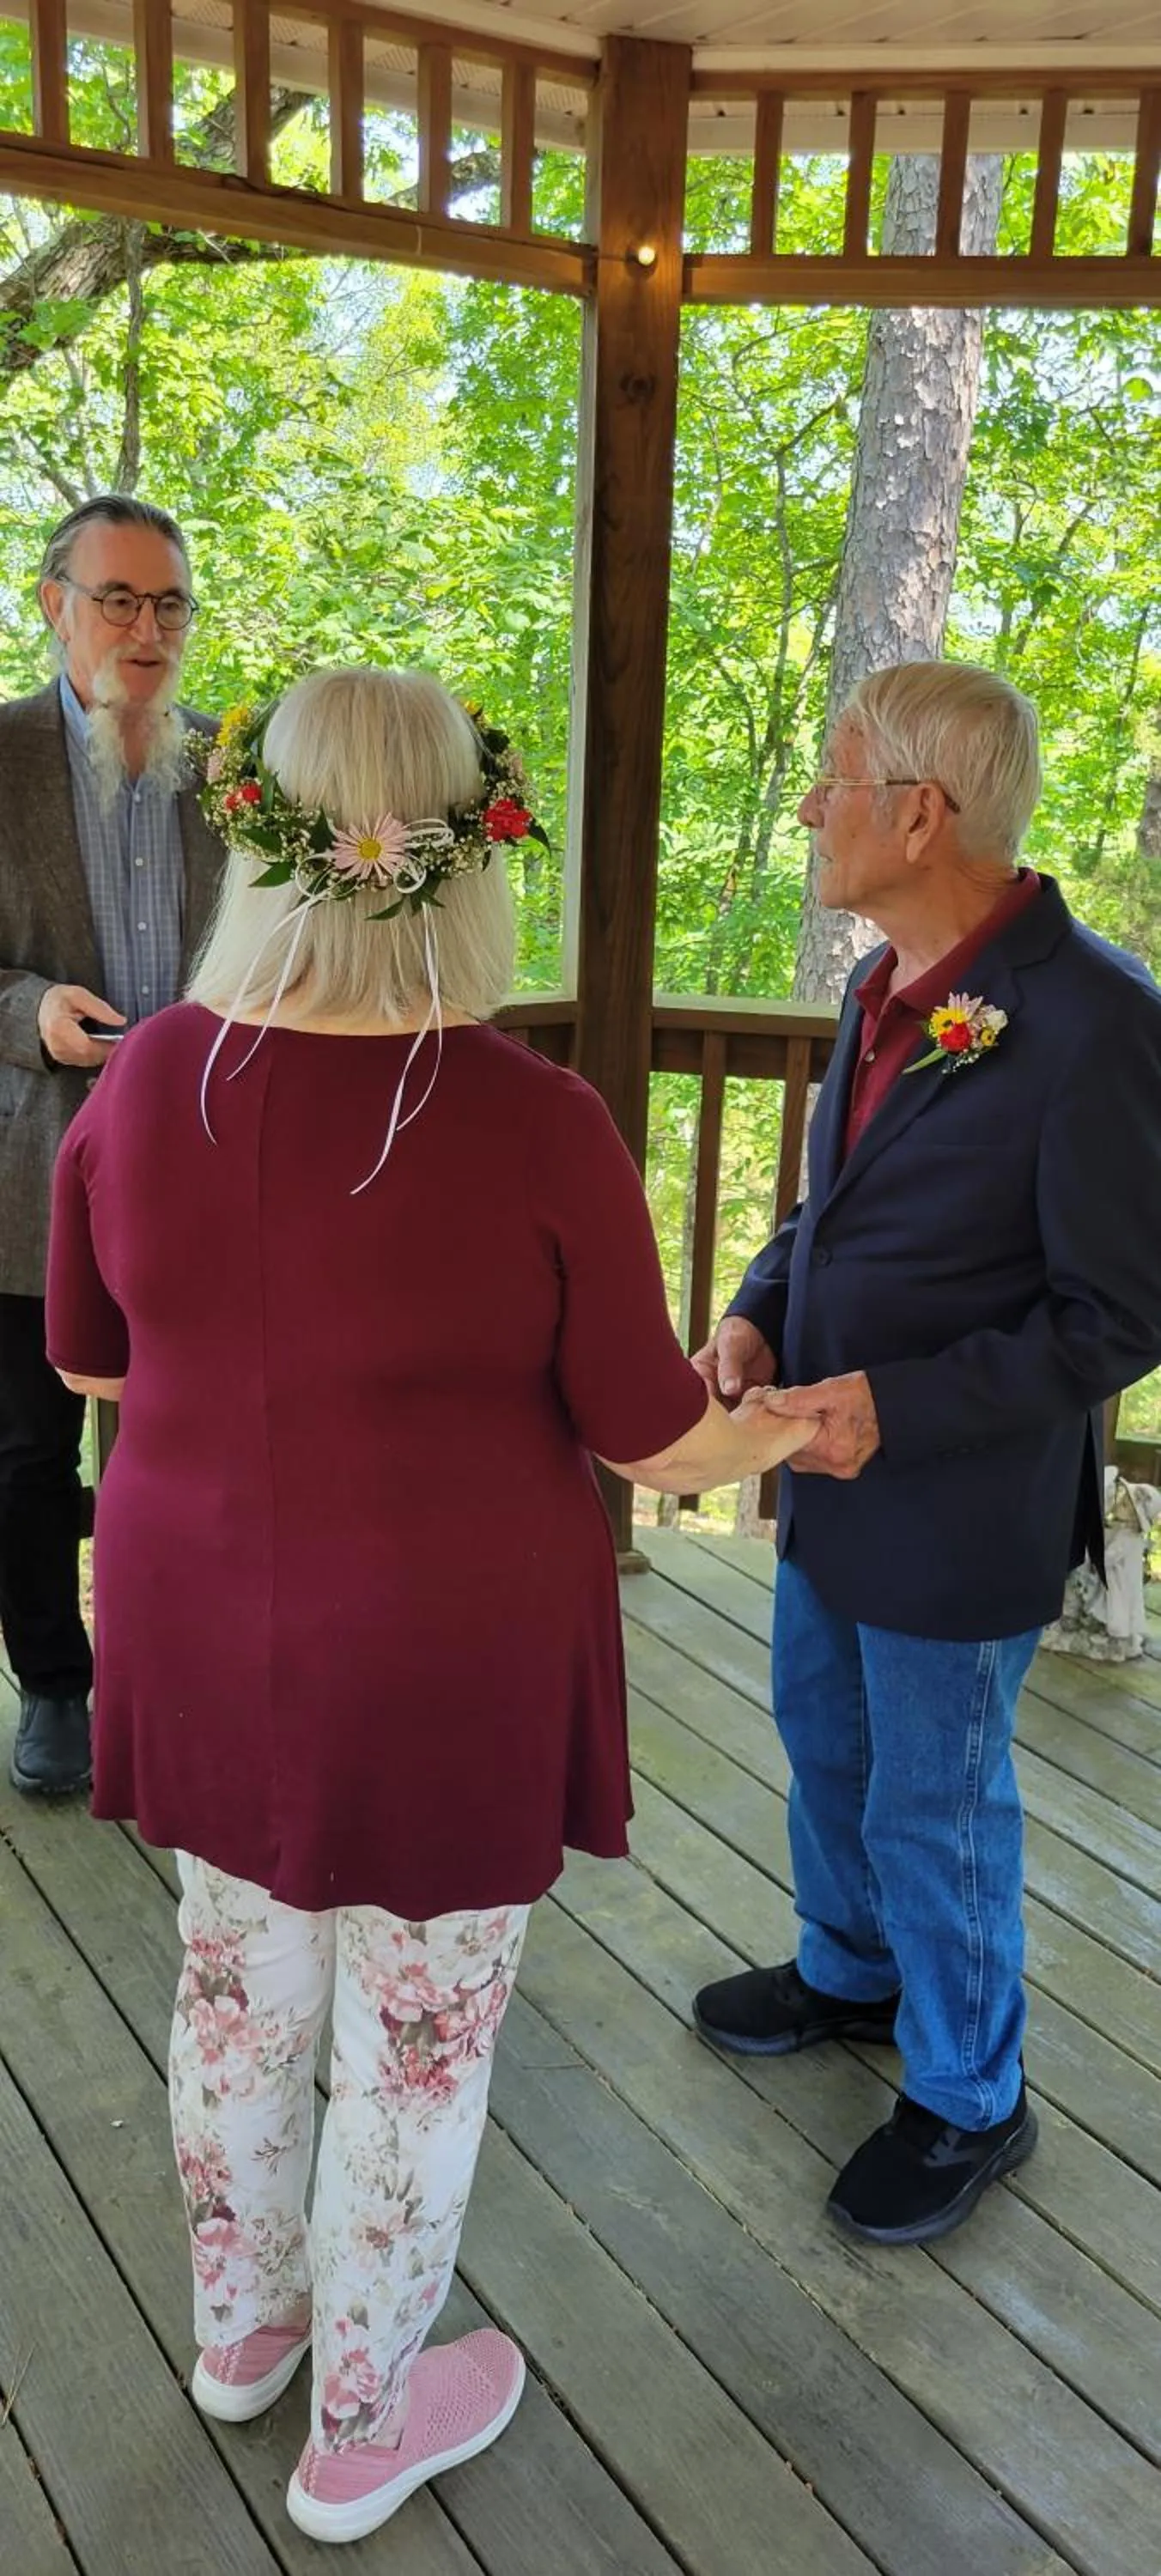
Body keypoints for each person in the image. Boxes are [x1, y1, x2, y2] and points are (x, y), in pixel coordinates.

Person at [44, 666, 811, 2546]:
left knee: (234, 1996)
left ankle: (243, 2339)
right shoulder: (531, 1120)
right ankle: (364, 2422)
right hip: (445, 1654)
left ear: (262, 833)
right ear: (471, 852)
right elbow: (650, 1442)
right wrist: (783, 1420)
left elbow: (87, 1363)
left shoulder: (150, 1075)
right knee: (413, 2038)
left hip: (202, 1617)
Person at [691, 659, 1161, 2248]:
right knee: (821, 1731)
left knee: (937, 1802)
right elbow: (831, 1209)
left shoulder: (1099, 1019)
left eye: (834, 780)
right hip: (824, 1477)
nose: (814, 808)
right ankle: (851, 1974)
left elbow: (1115, 1318)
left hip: (958, 1507)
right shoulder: (880, 983)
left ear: (918, 809)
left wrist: (898, 1403)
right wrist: (758, 1319)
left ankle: (971, 2092)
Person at [0, 495, 224, 1797]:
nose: (146, 631)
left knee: (174, 1446)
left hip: (194, 1178)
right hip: (27, 1166)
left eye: (170, 604)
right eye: (119, 600)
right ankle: (58, 1685)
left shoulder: (237, 771)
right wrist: (30, 1014)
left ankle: (168, 1673)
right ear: (54, 605)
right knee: (29, 1451)